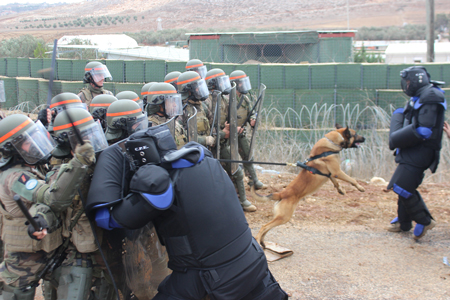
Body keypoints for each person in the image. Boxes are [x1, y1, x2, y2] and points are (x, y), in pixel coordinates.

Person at [85, 125, 288, 300]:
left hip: (210, 276)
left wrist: (108, 158)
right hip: (253, 261)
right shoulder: (203, 159)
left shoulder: (160, 184)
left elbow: (107, 219)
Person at [0, 114, 96, 299]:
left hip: (52, 251)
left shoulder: (31, 167)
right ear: (11, 148)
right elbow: (54, 198)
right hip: (24, 261)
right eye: (28, 142)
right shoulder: (14, 178)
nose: (34, 145)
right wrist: (79, 163)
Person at [86, 101, 170, 299]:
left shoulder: (135, 147)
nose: (143, 128)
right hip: (123, 234)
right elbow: (104, 215)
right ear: (122, 126)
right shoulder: (110, 154)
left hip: (144, 227)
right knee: (129, 282)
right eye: (137, 125)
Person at [43, 108, 111, 300]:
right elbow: (57, 199)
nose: (91, 143)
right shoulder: (60, 173)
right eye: (85, 138)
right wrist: (79, 162)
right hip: (77, 251)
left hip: (101, 246)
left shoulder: (98, 164)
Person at [387, 66, 446, 240]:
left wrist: (397, 139)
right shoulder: (421, 95)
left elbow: (424, 131)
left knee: (402, 187)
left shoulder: (431, 96)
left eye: (407, 82)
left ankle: (424, 220)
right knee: (404, 186)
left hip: (421, 152)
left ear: (415, 81)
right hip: (412, 149)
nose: (405, 85)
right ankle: (404, 222)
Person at [205, 68, 256, 212]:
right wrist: (222, 133)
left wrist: (234, 128)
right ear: (213, 84)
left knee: (236, 171)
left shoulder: (224, 99)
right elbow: (205, 128)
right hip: (209, 146)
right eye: (221, 81)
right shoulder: (206, 102)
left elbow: (231, 117)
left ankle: (241, 201)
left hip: (221, 144)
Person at [230, 70, 264, 189]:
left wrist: (252, 120)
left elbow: (251, 113)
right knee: (231, 159)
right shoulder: (227, 98)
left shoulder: (245, 99)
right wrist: (233, 128)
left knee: (247, 154)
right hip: (228, 135)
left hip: (241, 134)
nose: (243, 85)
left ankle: (253, 180)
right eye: (241, 83)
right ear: (235, 84)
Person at [177, 71, 215, 147]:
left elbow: (212, 125)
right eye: (197, 88)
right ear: (189, 90)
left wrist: (214, 138)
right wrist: (204, 140)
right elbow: (180, 136)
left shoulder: (203, 105)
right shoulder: (180, 109)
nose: (199, 89)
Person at [145, 82, 187, 149]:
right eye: (171, 101)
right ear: (160, 103)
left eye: (175, 101)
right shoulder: (151, 126)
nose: (175, 105)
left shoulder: (172, 121)